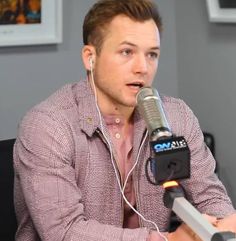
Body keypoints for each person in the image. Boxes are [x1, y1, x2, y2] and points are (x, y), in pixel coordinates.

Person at [13, 0, 236, 240]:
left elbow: (210, 197)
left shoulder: (176, 116)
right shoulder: (48, 126)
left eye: (152, 54)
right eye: (127, 52)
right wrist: (167, 240)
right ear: (90, 57)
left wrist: (223, 225)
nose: (143, 67)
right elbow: (65, 232)